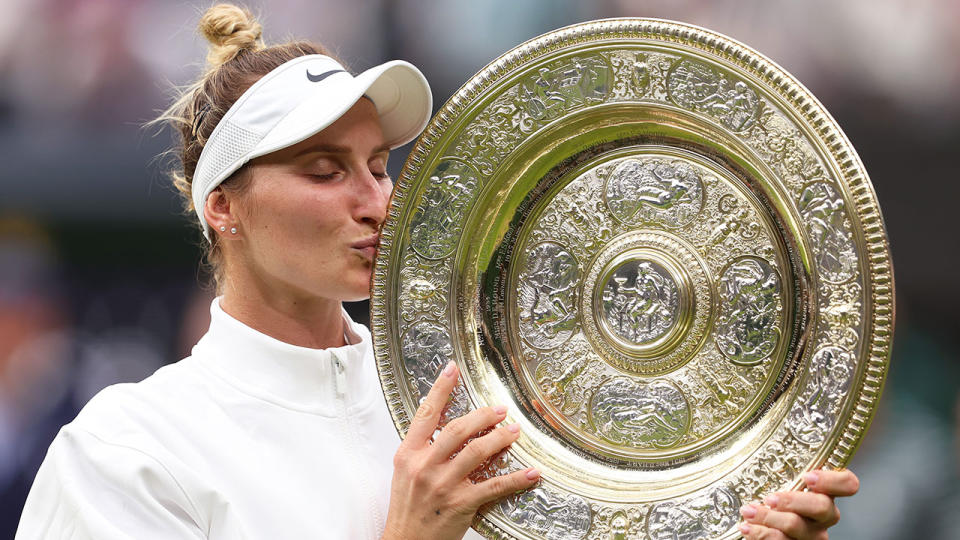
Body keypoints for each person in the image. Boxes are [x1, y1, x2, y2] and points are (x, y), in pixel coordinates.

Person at [16, 4, 858, 539]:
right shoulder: (127, 450)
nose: (375, 199)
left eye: (378, 164)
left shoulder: (482, 408)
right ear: (223, 209)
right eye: (323, 171)